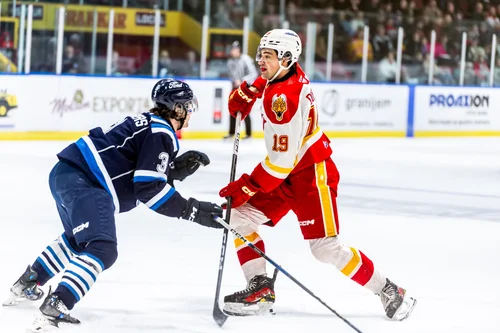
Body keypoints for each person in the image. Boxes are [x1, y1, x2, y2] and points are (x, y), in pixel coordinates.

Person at [218, 29, 417, 320]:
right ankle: (259, 287)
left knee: (325, 248)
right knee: (238, 217)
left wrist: (247, 187)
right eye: (260, 54)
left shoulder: (282, 99)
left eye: (268, 56)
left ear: (285, 58)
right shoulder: (285, 74)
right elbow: (281, 162)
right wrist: (253, 88)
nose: (261, 60)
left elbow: (280, 163)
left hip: (311, 174)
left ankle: (389, 290)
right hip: (287, 173)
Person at [3, 79, 224, 331]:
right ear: (177, 109)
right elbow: (147, 189)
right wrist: (192, 210)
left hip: (65, 174)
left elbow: (132, 167)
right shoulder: (161, 133)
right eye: (187, 106)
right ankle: (58, 303)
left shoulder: (148, 122)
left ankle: (28, 282)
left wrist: (171, 171)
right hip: (87, 183)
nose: (190, 112)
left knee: (77, 240)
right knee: (103, 248)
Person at [224, 41, 258, 140]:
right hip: (234, 87)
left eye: (235, 49)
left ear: (239, 50)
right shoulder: (230, 62)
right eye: (232, 49)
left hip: (245, 88)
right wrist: (235, 81)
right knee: (232, 108)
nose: (233, 51)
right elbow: (230, 74)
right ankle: (231, 132)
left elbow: (253, 73)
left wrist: (242, 81)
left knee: (244, 109)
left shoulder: (246, 59)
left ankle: (248, 133)